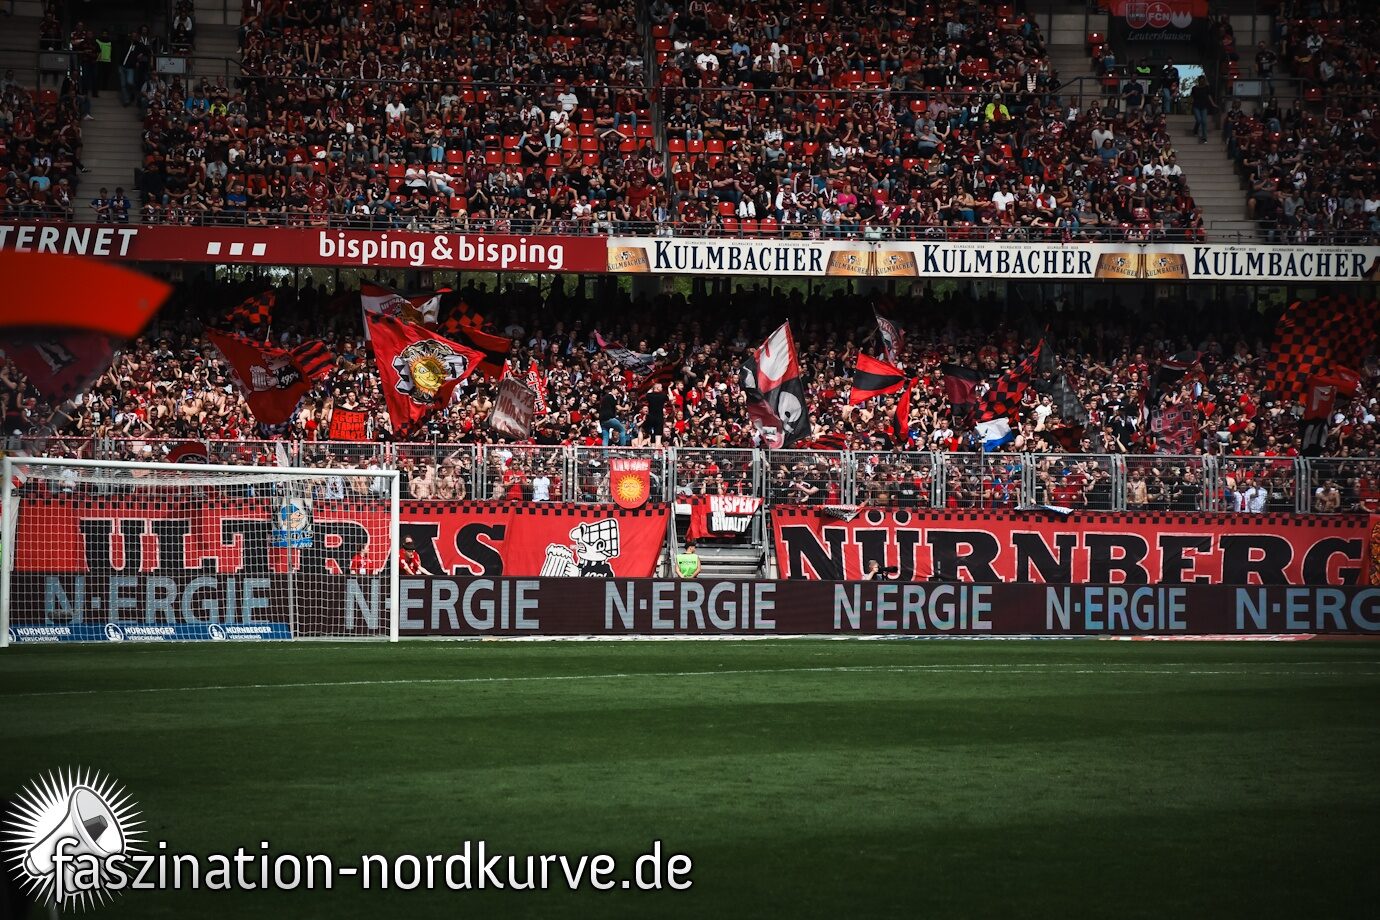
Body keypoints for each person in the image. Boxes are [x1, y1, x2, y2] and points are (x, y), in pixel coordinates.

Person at [1190, 79, 1217, 144]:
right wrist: (1190, 104)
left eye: (1203, 81)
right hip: (1196, 106)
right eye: (1201, 80)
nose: (1202, 82)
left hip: (1204, 107)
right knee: (1199, 120)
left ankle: (1204, 137)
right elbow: (1192, 97)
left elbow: (1209, 96)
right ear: (1199, 81)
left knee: (1204, 121)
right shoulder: (1194, 88)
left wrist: (1213, 104)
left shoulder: (1206, 88)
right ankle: (1195, 130)